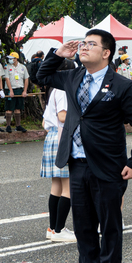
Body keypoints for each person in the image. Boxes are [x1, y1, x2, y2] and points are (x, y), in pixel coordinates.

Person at [36, 29, 132, 263]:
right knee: (84, 226)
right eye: (84, 43)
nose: (84, 47)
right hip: (76, 164)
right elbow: (41, 77)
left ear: (106, 52)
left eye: (92, 44)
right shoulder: (74, 76)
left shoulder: (121, 85)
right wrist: (58, 54)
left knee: (110, 226)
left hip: (109, 167)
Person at [41, 59, 77, 243]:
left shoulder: (53, 90)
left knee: (56, 185)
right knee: (68, 186)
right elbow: (62, 116)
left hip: (52, 137)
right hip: (61, 137)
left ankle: (53, 228)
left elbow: (44, 122)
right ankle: (60, 228)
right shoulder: (63, 89)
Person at [3, 51, 29, 133]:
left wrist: (25, 90)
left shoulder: (22, 67)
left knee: (18, 108)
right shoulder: (7, 67)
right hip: (10, 89)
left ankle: (18, 125)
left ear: (16, 59)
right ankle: (8, 125)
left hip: (19, 89)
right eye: (9, 58)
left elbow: (26, 78)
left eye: (12, 58)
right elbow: (7, 78)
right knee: (9, 108)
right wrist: (10, 90)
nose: (10, 60)